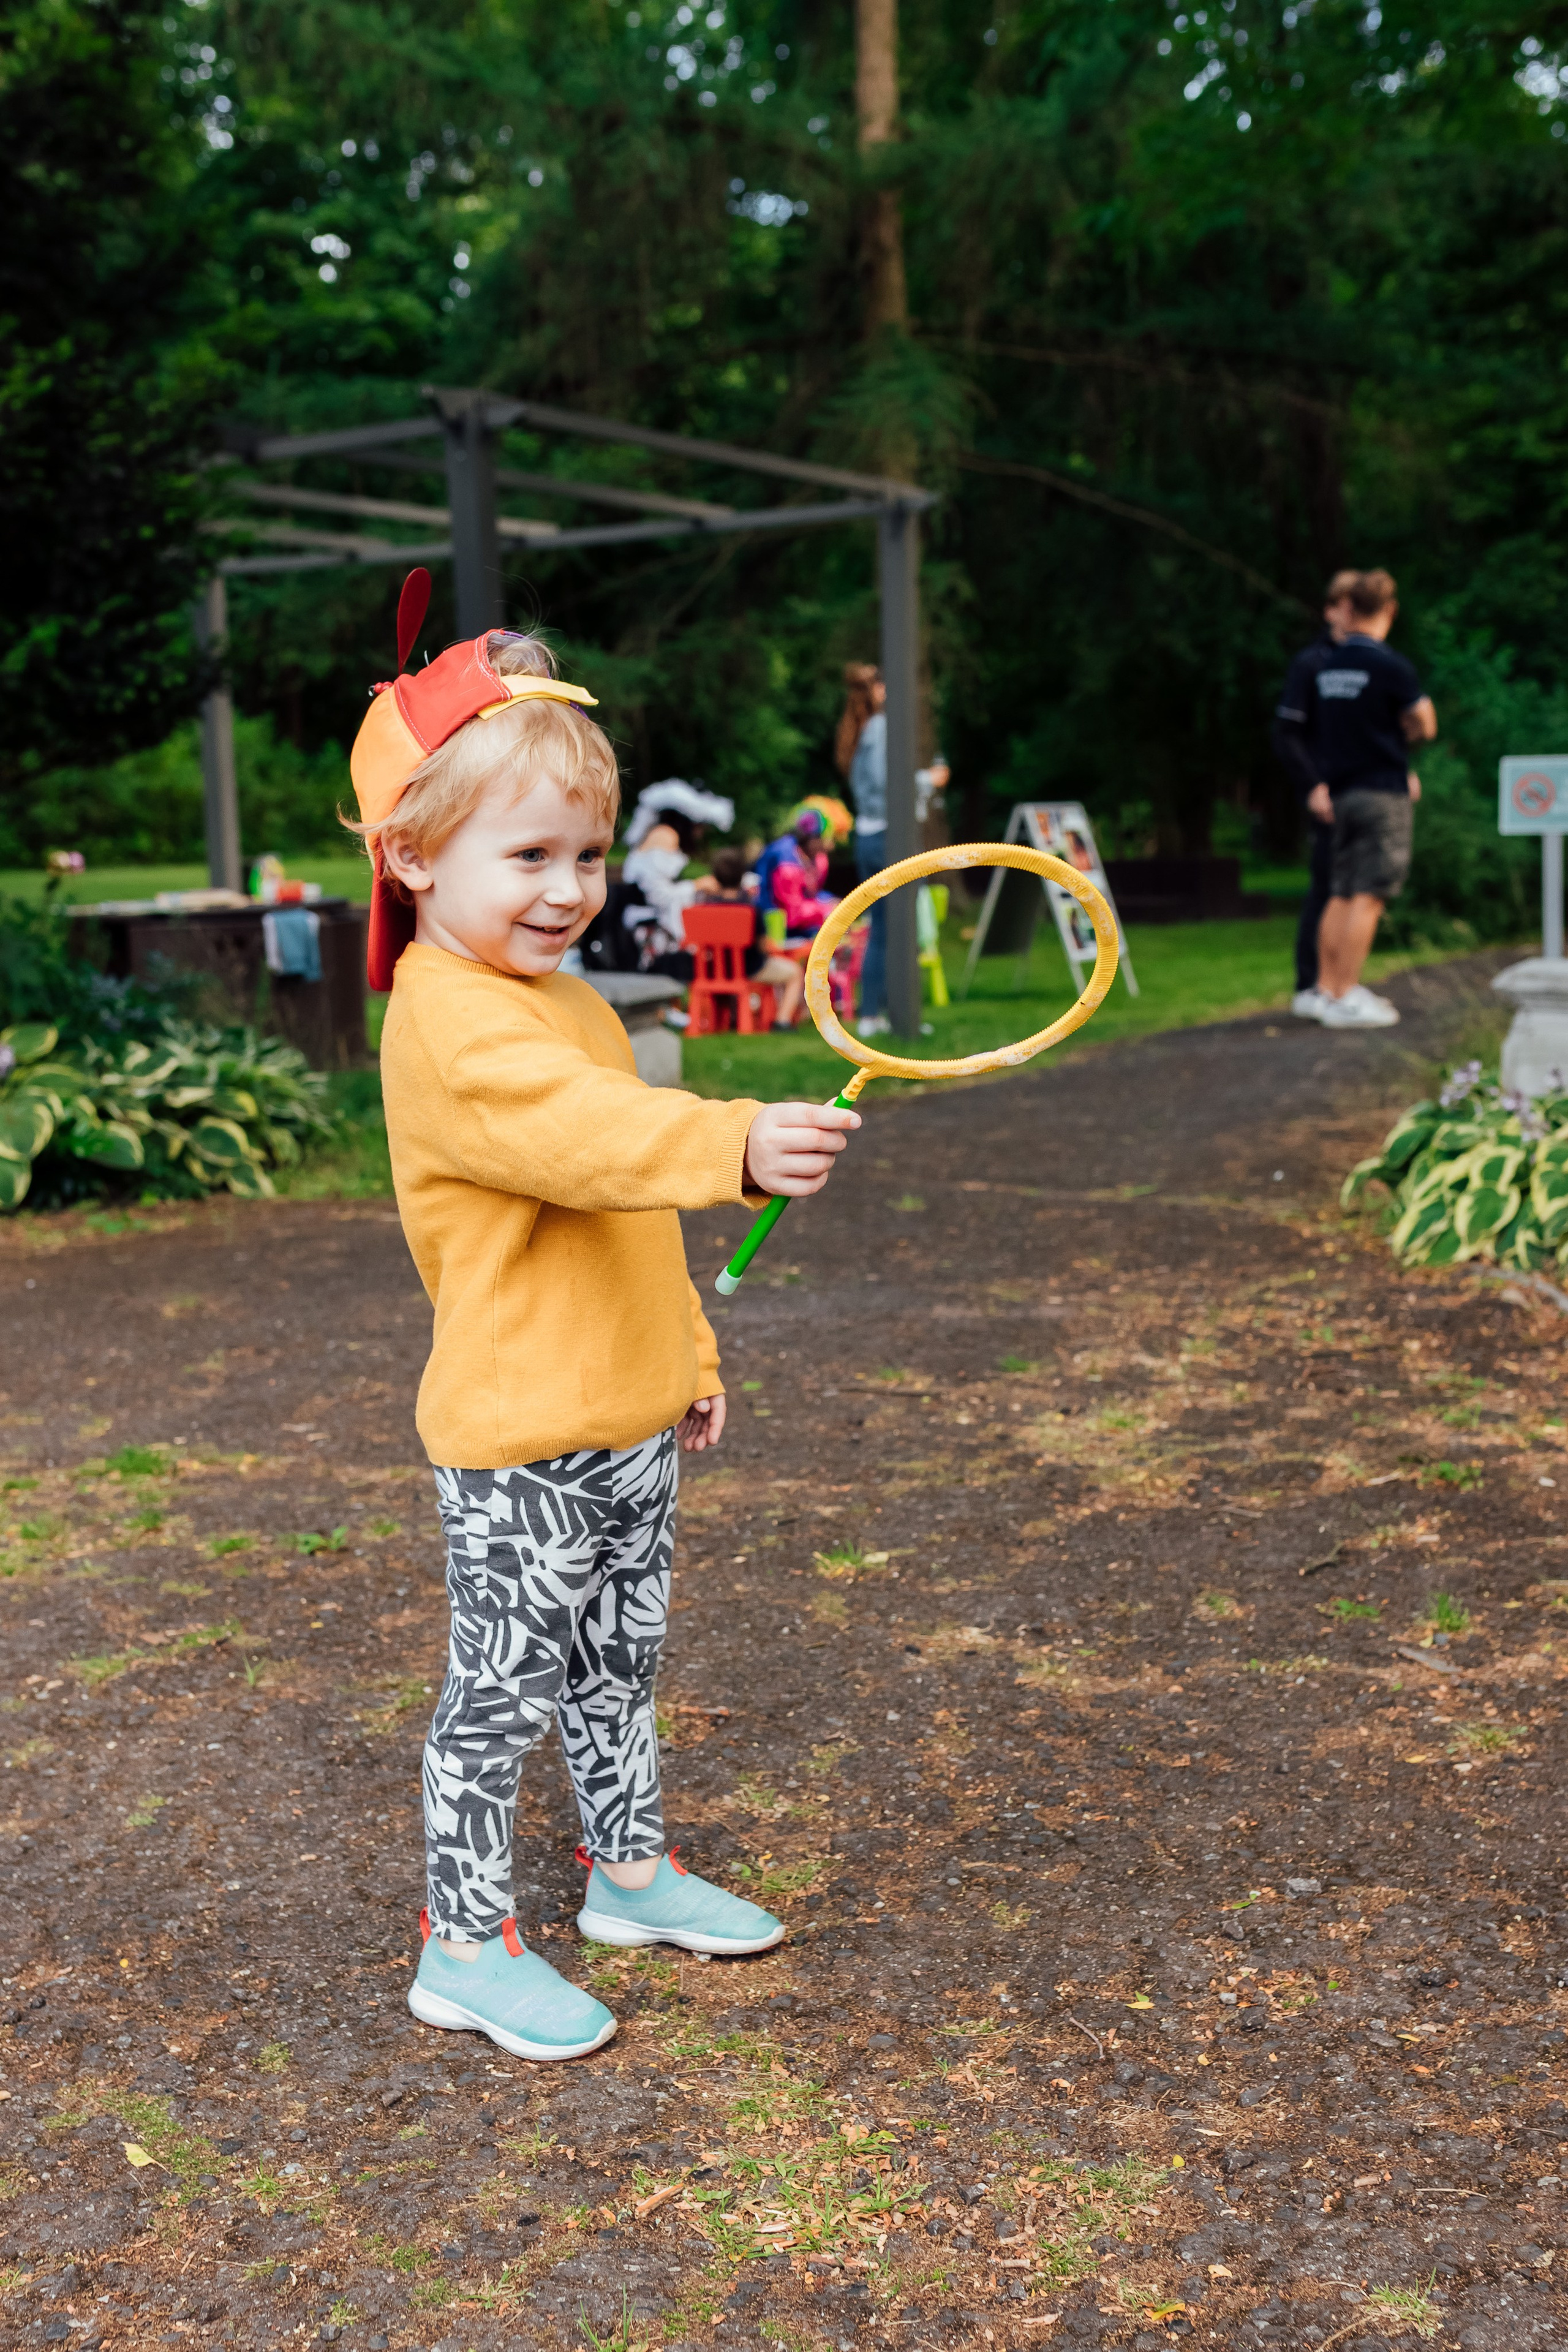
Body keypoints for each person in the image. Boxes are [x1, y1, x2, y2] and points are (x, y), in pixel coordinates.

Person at [346, 622, 861, 2061]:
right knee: (498, 1696)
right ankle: (463, 1941)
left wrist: (686, 1355)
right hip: (521, 1435)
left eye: (586, 853)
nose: (569, 889)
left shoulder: (565, 997)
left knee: (616, 1666)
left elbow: (625, 1212)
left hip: (622, 1415)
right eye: (527, 858)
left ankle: (626, 1875)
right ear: (412, 857)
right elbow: (590, 1138)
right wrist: (736, 1141)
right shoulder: (451, 1024)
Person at [1303, 570, 1436, 1030]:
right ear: (1389, 610)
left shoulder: (1328, 667)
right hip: (1382, 791)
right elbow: (1425, 721)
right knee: (1370, 893)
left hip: (1341, 792)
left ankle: (1325, 989)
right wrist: (1405, 739)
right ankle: (1347, 992)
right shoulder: (1390, 666)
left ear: (1349, 609)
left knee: (1339, 893)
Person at [1272, 570, 1361, 1017]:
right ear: (1331, 610)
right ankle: (1312, 984)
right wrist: (1313, 786)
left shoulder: (1373, 662)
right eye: (1345, 605)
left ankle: (1345, 985)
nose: (1352, 615)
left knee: (1359, 890)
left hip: (1367, 792)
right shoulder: (1313, 663)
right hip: (1329, 793)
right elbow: (1287, 733)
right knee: (1327, 886)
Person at [619, 779, 733, 967]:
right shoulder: (666, 836)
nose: (701, 832)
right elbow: (659, 896)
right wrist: (697, 885)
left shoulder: (655, 833)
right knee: (718, 958)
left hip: (645, 927)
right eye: (700, 825)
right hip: (647, 936)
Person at [837, 663, 891, 1036]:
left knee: (881, 928)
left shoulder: (856, 728)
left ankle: (879, 1013)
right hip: (887, 835)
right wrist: (927, 781)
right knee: (889, 930)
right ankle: (874, 1014)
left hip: (866, 836)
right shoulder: (881, 728)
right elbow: (889, 783)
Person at [706, 846, 805, 1028]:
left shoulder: (705, 907)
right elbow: (762, 946)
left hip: (714, 970)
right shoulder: (751, 908)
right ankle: (782, 1021)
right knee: (795, 973)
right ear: (742, 875)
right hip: (750, 968)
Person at [755, 801, 843, 938]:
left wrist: (832, 902)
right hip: (775, 929)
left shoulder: (813, 857)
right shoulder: (787, 862)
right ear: (811, 839)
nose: (831, 846)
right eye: (826, 839)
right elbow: (792, 914)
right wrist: (826, 909)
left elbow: (812, 895)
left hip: (795, 922)